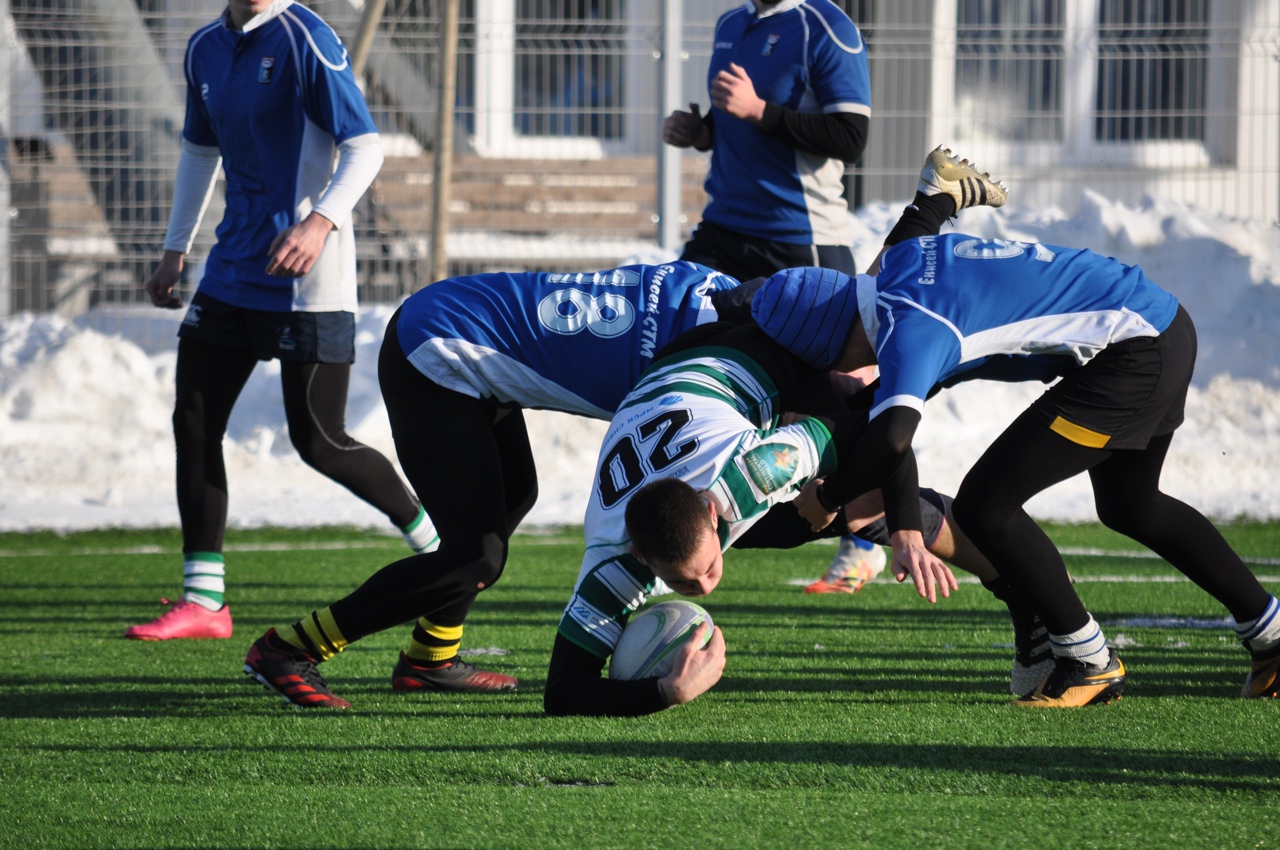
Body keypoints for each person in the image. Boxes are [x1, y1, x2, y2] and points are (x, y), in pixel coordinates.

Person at [751, 232, 1280, 707]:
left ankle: (1087, 660)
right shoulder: (899, 263)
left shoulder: (908, 329)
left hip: (1132, 355)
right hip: (1161, 323)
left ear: (831, 344)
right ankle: (1271, 634)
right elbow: (881, 411)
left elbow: (892, 437)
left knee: (986, 504)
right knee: (1132, 505)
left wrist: (827, 498)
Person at [241, 261, 753, 707]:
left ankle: (430, 657)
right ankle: (291, 649)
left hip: (460, 327)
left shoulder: (714, 293)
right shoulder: (703, 361)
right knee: (476, 556)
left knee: (514, 495)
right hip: (436, 350)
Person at [126, 0, 434, 642]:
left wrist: (318, 223)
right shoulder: (204, 48)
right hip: (233, 269)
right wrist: (174, 249)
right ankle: (205, 601)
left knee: (319, 440)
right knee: (195, 420)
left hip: (307, 278)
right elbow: (198, 151)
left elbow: (365, 148)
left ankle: (438, 546)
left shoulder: (306, 38)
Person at [542, 319, 1021, 717]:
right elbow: (561, 693)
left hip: (753, 363)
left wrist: (903, 530)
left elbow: (882, 432)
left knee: (859, 493)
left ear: (711, 510)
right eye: (684, 582)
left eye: (707, 567)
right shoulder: (611, 562)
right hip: (672, 382)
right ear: (638, 554)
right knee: (810, 516)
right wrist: (667, 692)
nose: (706, 588)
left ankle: (1016, 580)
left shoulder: (752, 473)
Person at [663, 0, 880, 585]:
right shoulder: (732, 23)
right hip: (723, 229)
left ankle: (867, 534)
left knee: (841, 390)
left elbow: (851, 137)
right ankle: (683, 520)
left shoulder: (825, 26)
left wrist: (761, 110)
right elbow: (735, 129)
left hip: (800, 239)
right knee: (678, 347)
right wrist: (701, 132)